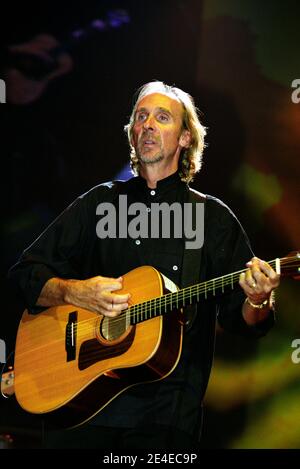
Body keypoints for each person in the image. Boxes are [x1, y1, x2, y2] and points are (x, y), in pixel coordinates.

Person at [8, 81, 280, 449]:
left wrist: (258, 300)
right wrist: (74, 291)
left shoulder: (211, 218)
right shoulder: (99, 203)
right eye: (141, 117)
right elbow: (25, 274)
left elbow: (244, 323)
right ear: (133, 134)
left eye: (162, 117)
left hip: (164, 415)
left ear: (185, 138)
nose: (147, 124)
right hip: (77, 403)